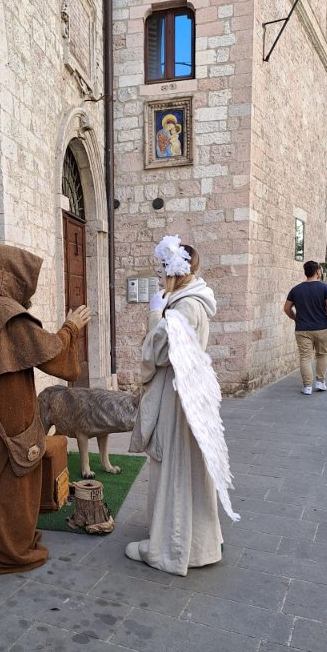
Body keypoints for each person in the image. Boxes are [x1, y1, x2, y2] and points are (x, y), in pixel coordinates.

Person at [0, 240, 90, 575]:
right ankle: (8, 550)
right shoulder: (4, 313)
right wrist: (71, 328)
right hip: (8, 411)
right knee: (17, 476)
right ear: (9, 276)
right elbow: (52, 353)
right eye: (22, 281)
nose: (25, 291)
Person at [126, 235, 239, 577]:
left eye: (162, 269)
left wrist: (154, 315)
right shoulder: (190, 300)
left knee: (175, 465)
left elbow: (159, 353)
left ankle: (170, 548)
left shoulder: (184, 306)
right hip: (186, 393)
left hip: (178, 397)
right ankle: (200, 542)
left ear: (174, 270)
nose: (159, 276)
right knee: (188, 467)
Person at [284, 261, 327, 394]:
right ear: (318, 272)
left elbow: (287, 309)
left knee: (305, 357)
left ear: (306, 272)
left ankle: (307, 387)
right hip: (321, 328)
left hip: (302, 329)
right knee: (322, 354)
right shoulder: (325, 288)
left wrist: (295, 318)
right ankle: (320, 382)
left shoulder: (296, 290)